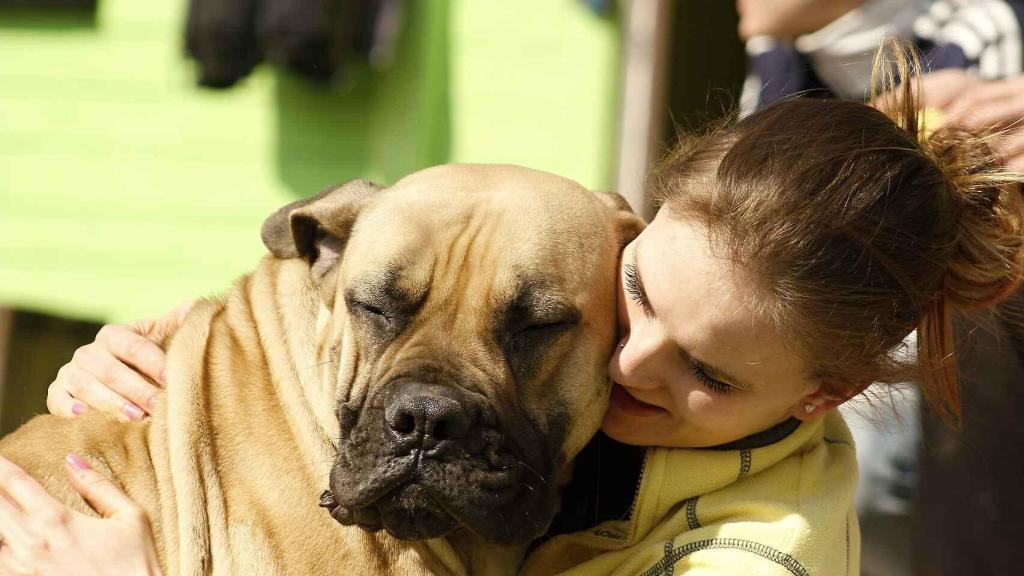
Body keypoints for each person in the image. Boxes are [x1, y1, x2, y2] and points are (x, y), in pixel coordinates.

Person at [3, 45, 1022, 575]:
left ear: (820, 396)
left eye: (708, 373)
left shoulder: (755, 552)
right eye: (633, 301)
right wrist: (117, 367)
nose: (632, 366)